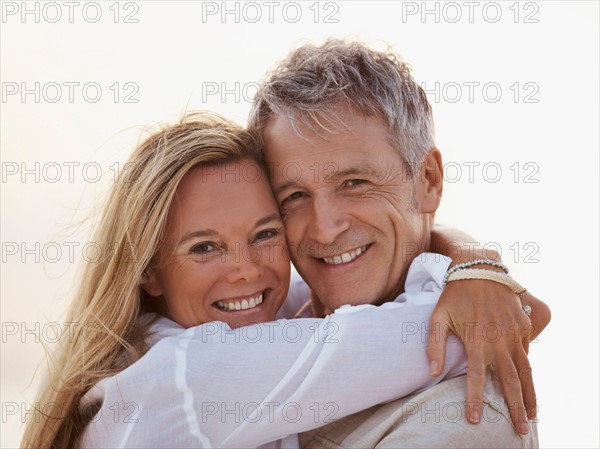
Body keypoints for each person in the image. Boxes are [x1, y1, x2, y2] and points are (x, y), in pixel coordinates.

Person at [22, 112, 475, 449]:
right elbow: (453, 334)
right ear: (148, 272)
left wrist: (465, 252)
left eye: (265, 234)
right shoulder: (187, 374)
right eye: (204, 247)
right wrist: (480, 270)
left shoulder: (207, 333)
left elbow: (321, 306)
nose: (246, 270)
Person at [248, 38, 551, 447]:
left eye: (355, 183)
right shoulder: (275, 314)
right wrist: (470, 257)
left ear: (428, 180)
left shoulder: (463, 421)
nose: (324, 229)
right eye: (295, 196)